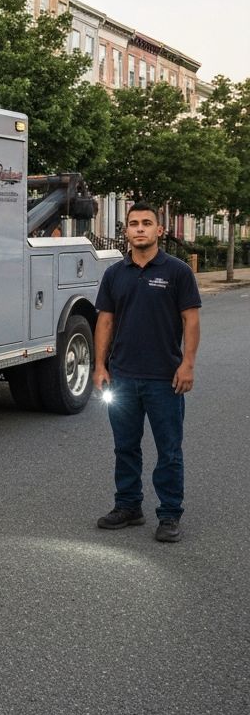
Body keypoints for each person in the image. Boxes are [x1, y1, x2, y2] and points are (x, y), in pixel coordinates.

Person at [92, 202, 201, 543]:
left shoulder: (177, 271)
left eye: (146, 223)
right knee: (125, 447)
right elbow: (105, 321)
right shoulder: (114, 274)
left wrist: (187, 364)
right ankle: (128, 506)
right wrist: (99, 366)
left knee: (169, 449)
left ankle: (169, 515)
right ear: (126, 231)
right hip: (122, 376)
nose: (140, 228)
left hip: (164, 378)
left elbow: (191, 319)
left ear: (159, 230)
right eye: (134, 223)